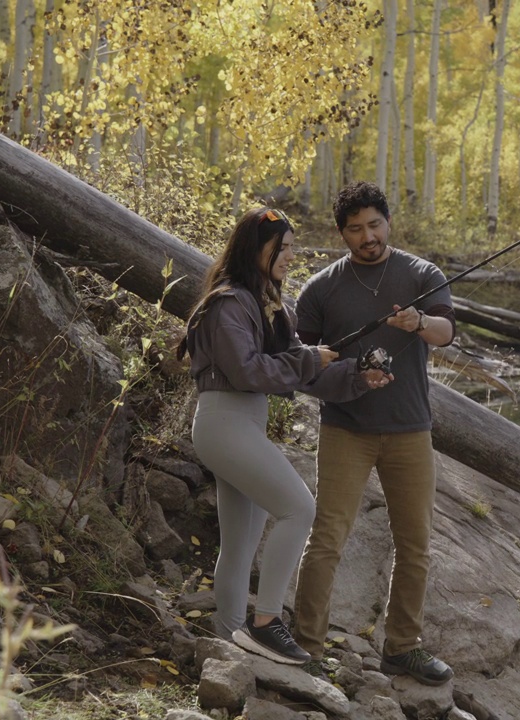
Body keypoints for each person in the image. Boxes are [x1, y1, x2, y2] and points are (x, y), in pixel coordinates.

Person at [181, 207, 391, 665]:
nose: (292, 256)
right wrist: (309, 360)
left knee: (239, 545)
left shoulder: (270, 305)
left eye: (294, 247)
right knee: (299, 508)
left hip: (241, 424)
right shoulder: (229, 303)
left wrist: (357, 376)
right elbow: (248, 370)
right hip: (224, 422)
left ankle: (230, 642)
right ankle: (266, 624)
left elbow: (304, 373)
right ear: (257, 249)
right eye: (285, 247)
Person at [292, 181, 456, 685]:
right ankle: (307, 648)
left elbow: (446, 333)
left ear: (388, 222)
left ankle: (402, 647)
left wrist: (418, 321)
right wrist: (347, 376)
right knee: (326, 540)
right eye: (356, 229)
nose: (368, 237)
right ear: (342, 234)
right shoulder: (320, 290)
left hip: (410, 429)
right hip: (346, 429)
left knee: (416, 544)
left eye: (375, 225)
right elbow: (300, 364)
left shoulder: (422, 274)